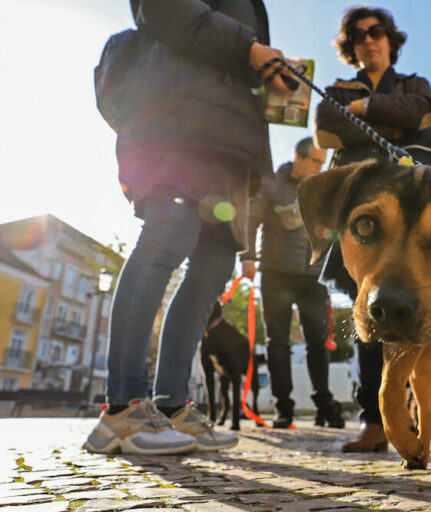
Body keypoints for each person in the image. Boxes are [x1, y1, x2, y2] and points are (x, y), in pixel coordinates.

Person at [84, 0, 293, 455]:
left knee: (212, 270)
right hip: (179, 124)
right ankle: (122, 407)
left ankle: (172, 405)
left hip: (232, 146)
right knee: (166, 238)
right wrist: (250, 48)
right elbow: (160, 8)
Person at [313, 5, 431, 453]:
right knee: (366, 320)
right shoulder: (335, 89)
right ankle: (375, 422)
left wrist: (361, 110)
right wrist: (388, 117)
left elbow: (424, 113)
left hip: (419, 211)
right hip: (359, 220)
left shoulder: (414, 85)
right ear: (351, 45)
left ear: (390, 38)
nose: (368, 39)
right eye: (358, 34)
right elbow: (326, 128)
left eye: (376, 31)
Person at [252, 137, 345, 429]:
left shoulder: (322, 189)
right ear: (298, 157)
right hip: (275, 273)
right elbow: (252, 217)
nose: (320, 167)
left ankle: (323, 404)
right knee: (277, 343)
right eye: (316, 162)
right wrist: (246, 255)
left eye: (323, 162)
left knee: (319, 343)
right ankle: (284, 408)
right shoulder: (271, 184)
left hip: (312, 276)